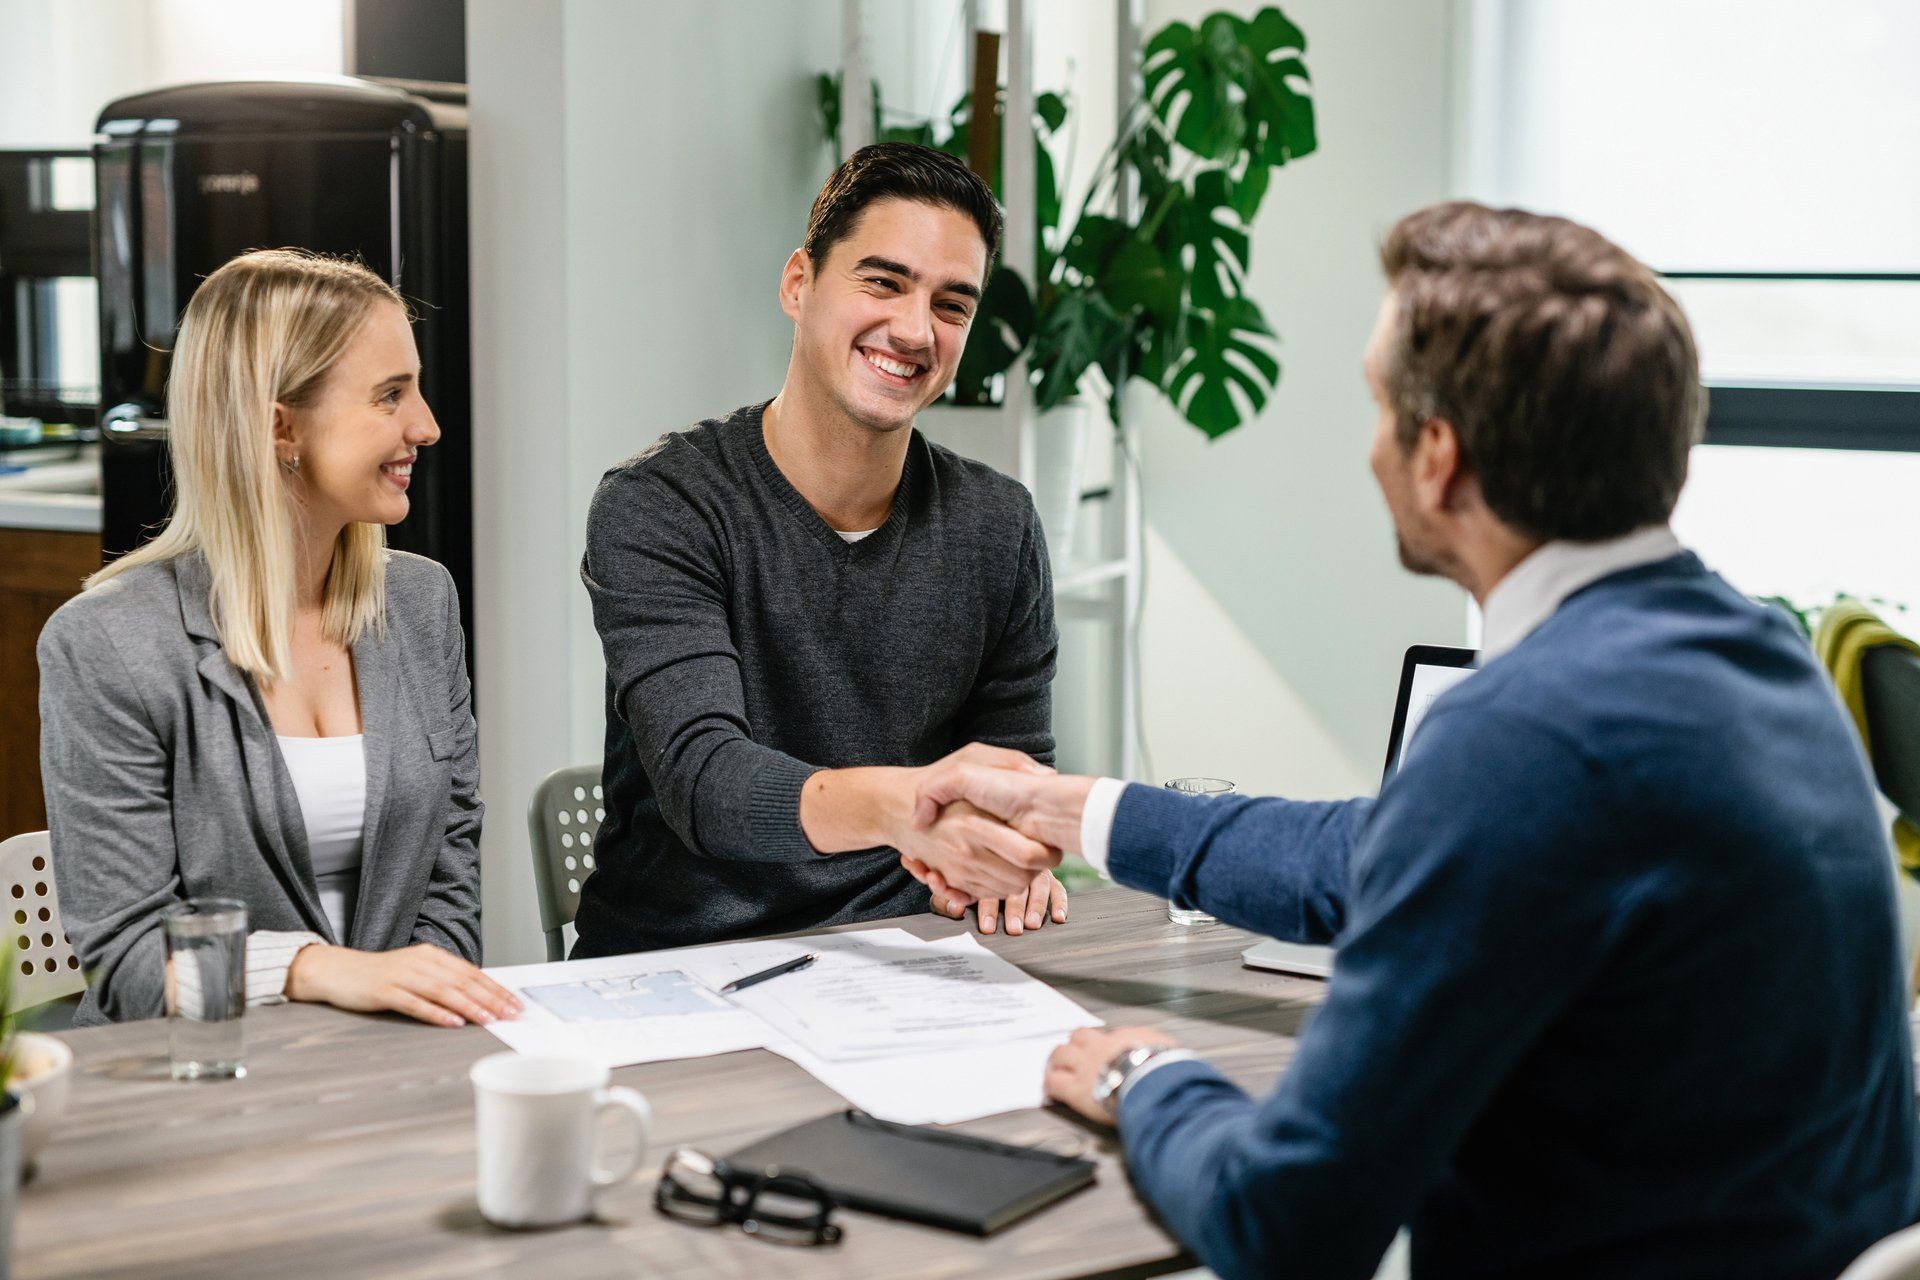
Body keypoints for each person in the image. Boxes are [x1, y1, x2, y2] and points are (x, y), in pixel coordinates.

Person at [910, 203, 1920, 1278]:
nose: (1372, 445)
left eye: (1379, 406)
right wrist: (1076, 808)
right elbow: (1386, 850)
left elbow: (1283, 1223)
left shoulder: (1523, 736)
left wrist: (1146, 1075)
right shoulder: (1764, 654)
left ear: (1438, 454)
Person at [572, 142, 1065, 958]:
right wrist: (916, 807)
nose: (913, 330)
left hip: (914, 958)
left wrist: (1016, 851)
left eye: (952, 305)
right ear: (799, 283)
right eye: (883, 281)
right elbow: (711, 786)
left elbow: (1013, 774)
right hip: (682, 970)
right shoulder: (662, 506)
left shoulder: (998, 524)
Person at [39, 249, 521, 1031]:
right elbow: (129, 968)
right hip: (198, 1079)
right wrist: (318, 971)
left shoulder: (420, 602)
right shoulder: (107, 644)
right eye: (390, 395)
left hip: (397, 1066)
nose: (426, 426)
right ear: (279, 425)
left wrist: (401, 1034)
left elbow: (451, 875)